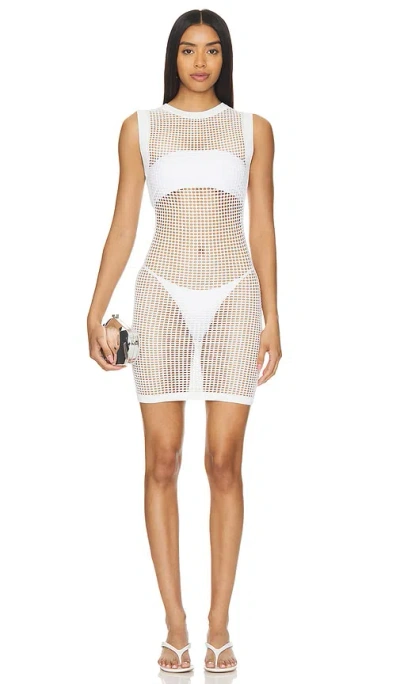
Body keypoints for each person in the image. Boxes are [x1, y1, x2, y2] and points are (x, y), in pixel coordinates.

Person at [87, 8, 282, 673]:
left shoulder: (252, 129)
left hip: (234, 299)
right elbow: (123, 223)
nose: (201, 62)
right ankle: (175, 627)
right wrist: (95, 310)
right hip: (161, 298)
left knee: (224, 463)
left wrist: (273, 316)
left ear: (226, 59)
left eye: (213, 50)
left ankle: (219, 628)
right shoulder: (140, 127)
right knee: (162, 461)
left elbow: (263, 225)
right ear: (173, 56)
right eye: (190, 49)